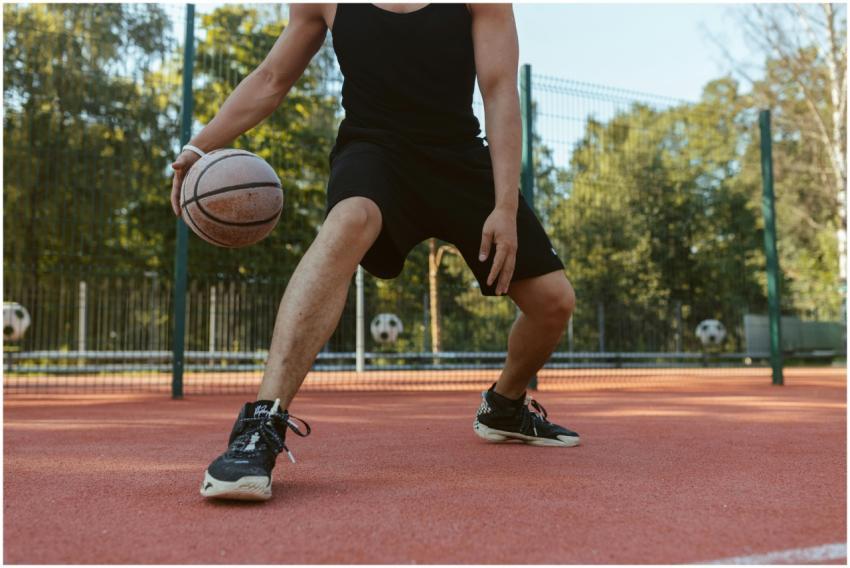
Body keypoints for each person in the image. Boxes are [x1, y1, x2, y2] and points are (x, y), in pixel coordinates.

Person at [171, 3, 580, 502]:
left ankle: (505, 406)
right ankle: (259, 426)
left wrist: (504, 206)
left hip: (458, 157)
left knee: (554, 302)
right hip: (373, 151)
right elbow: (272, 77)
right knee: (349, 220)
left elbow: (497, 92)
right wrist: (199, 147)